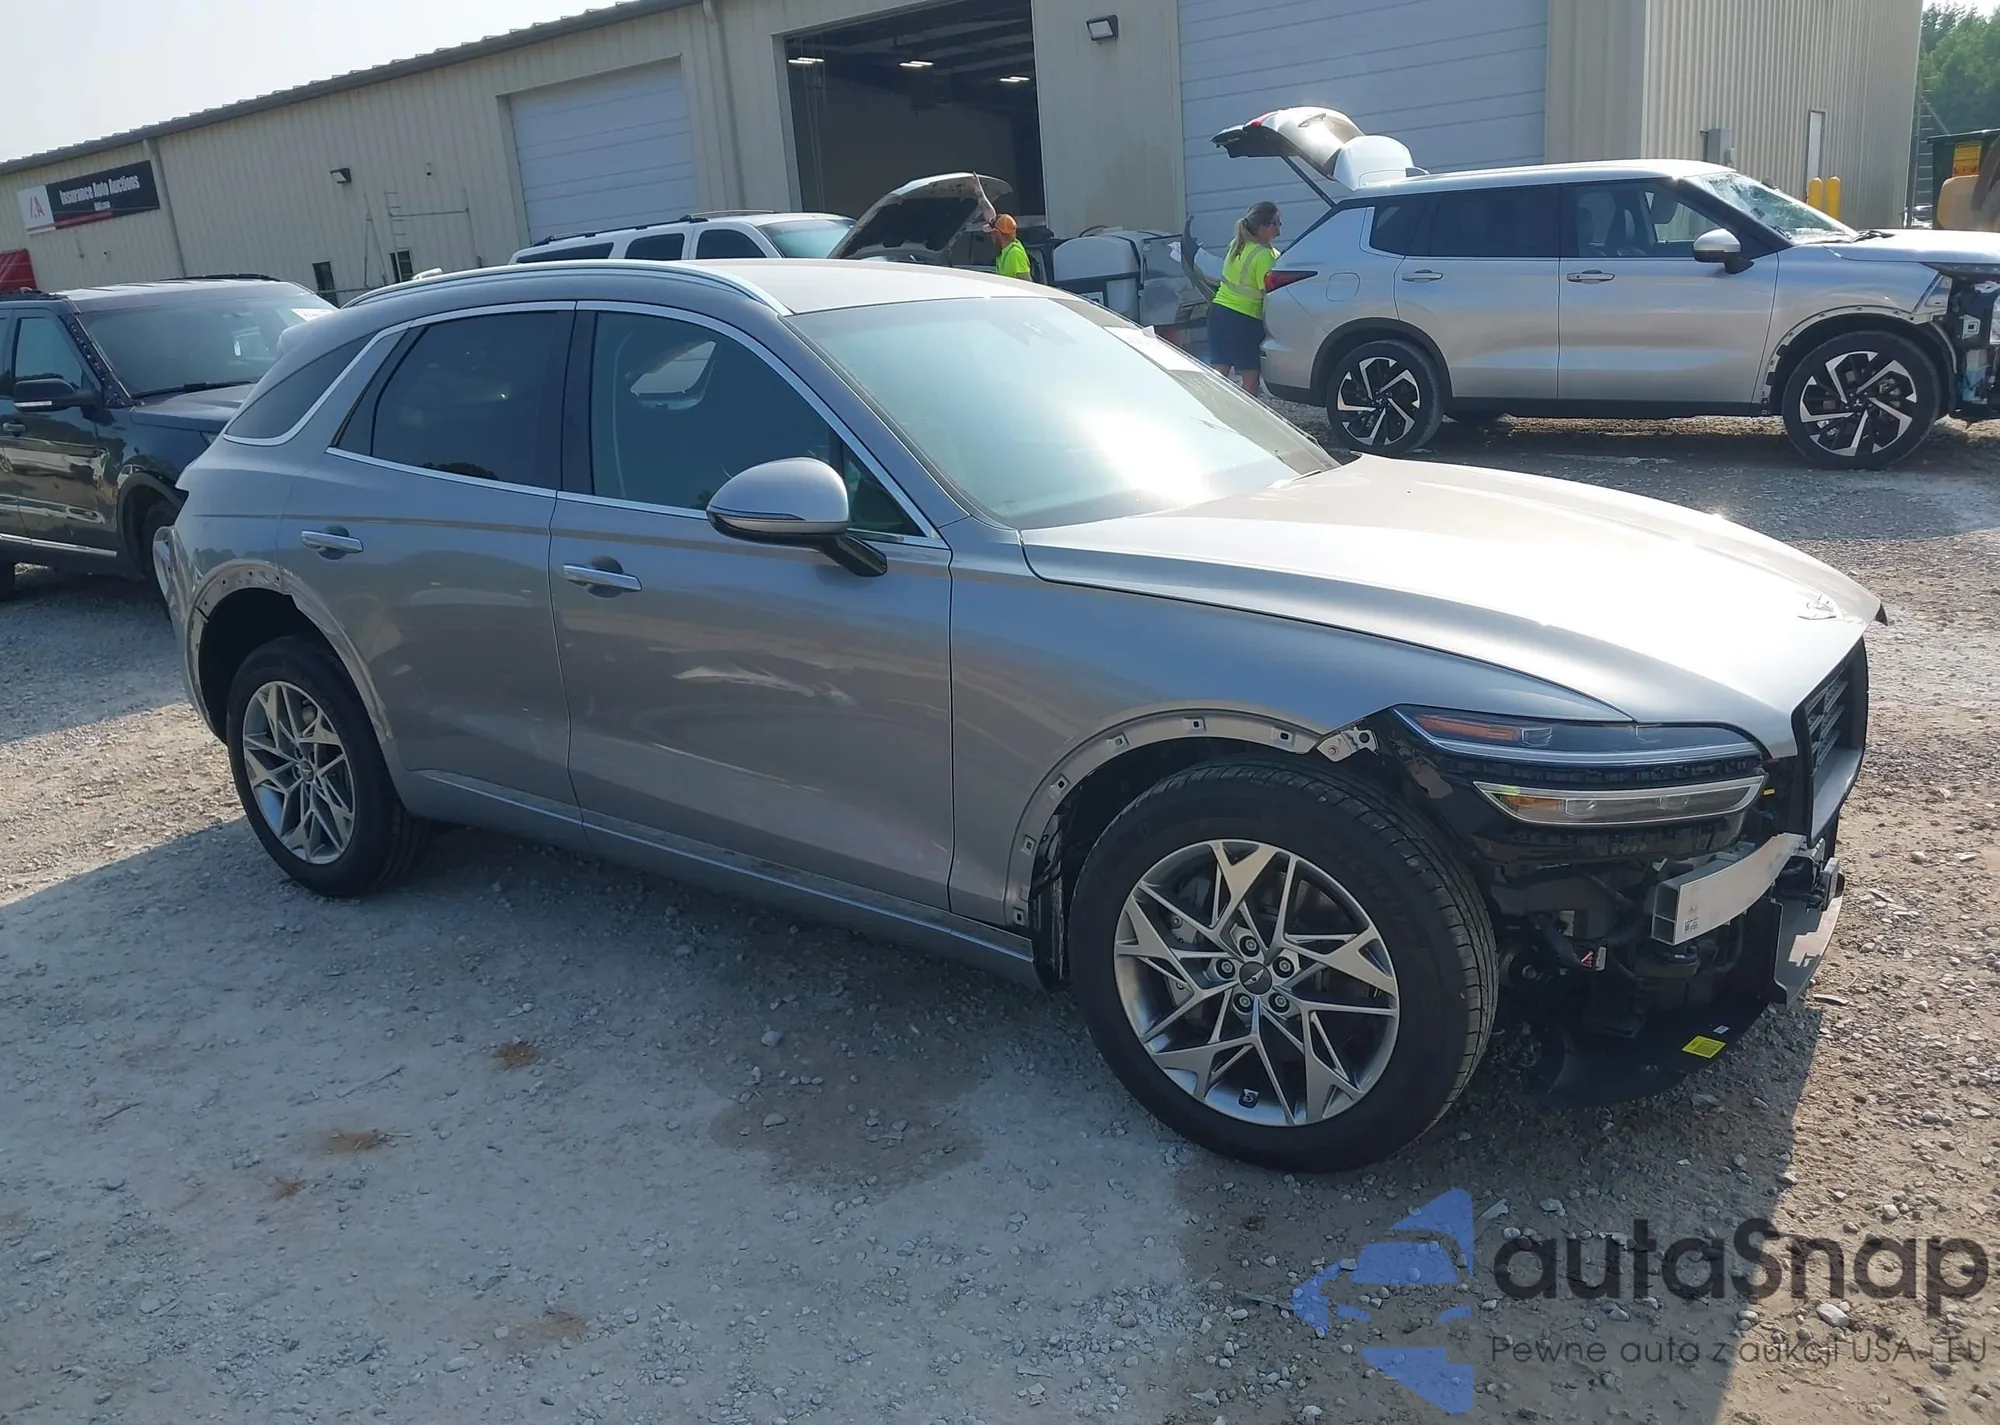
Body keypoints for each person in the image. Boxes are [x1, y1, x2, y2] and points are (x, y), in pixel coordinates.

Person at [1208, 200, 1281, 394]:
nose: (1280, 227)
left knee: (1218, 373)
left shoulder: (1236, 245)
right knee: (1250, 376)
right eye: (1276, 223)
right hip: (1244, 319)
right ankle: (1246, 413)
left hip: (1219, 312)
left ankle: (1211, 408)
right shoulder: (1264, 256)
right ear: (1263, 227)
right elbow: (1270, 294)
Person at [991, 213, 1032, 280]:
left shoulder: (1015, 253)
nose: (991, 236)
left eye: (992, 233)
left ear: (997, 233)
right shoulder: (1003, 252)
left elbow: (1027, 283)